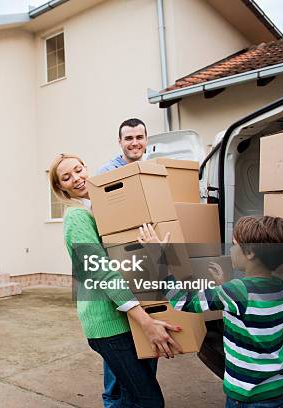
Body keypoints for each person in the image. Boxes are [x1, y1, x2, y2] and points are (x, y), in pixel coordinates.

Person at [50, 153, 182, 408]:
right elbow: (103, 273)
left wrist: (158, 252)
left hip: (127, 317)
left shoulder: (106, 212)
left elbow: (128, 261)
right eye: (67, 177)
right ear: (61, 188)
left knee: (129, 398)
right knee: (148, 401)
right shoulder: (76, 218)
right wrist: (147, 323)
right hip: (110, 325)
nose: (77, 178)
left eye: (79, 170)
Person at [138, 216, 283, 408]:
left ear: (249, 253)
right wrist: (224, 286)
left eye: (234, 244)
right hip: (280, 390)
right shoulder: (279, 287)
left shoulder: (237, 291)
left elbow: (182, 301)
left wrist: (158, 260)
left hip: (248, 397)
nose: (231, 249)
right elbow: (251, 313)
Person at [97, 117, 150, 407]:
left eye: (138, 137)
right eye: (128, 138)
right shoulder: (106, 174)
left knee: (146, 337)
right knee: (119, 344)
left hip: (148, 262)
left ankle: (141, 396)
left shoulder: (151, 170)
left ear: (146, 139)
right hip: (120, 262)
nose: (134, 143)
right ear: (120, 142)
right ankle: (113, 401)